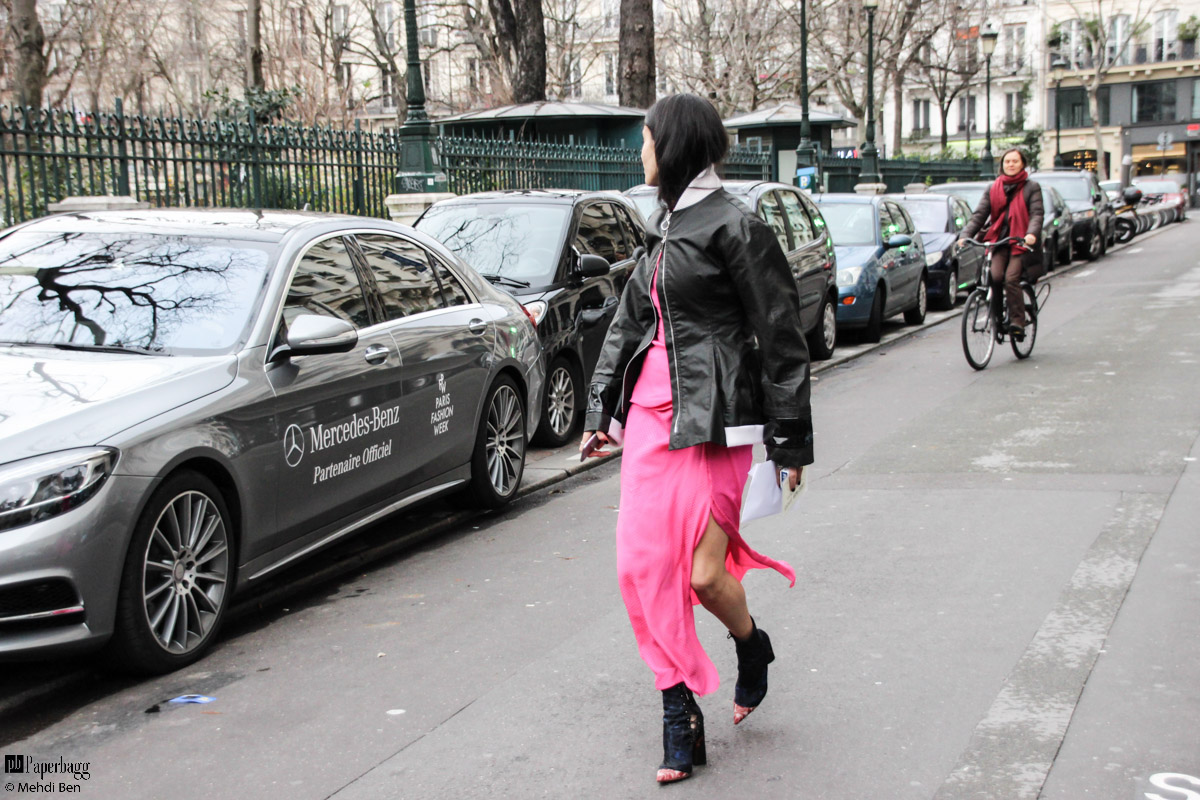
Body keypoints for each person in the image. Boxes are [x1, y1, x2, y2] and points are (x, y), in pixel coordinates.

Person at [580, 93, 814, 785]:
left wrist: (791, 437)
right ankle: (678, 710)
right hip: (652, 421)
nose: (640, 151)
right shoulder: (661, 227)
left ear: (674, 144)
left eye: (647, 139)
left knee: (704, 576)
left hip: (717, 421)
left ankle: (752, 645)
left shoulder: (736, 227)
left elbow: (781, 332)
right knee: (641, 570)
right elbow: (629, 324)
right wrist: (602, 415)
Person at [957, 147, 1044, 337]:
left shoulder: (1032, 187)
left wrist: (1031, 234)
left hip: (1021, 242)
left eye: (1015, 161)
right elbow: (979, 215)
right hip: (999, 240)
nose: (1011, 165)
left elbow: (1037, 214)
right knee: (994, 276)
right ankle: (997, 318)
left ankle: (1017, 322)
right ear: (1002, 165)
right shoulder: (993, 188)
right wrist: (965, 236)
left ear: (1022, 164)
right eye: (1007, 162)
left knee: (1011, 278)